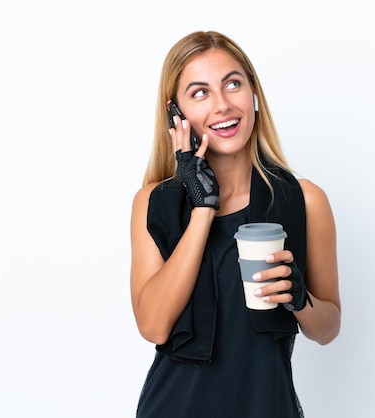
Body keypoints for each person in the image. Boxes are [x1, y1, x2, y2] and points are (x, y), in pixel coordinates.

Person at [129, 30, 341, 417]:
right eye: (200, 93)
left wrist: (299, 299)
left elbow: (327, 329)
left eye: (232, 84)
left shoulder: (305, 200)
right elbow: (154, 326)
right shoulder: (152, 202)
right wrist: (203, 208)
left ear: (253, 94)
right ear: (176, 115)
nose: (222, 105)